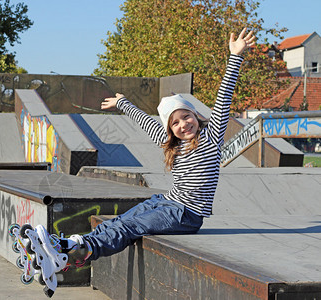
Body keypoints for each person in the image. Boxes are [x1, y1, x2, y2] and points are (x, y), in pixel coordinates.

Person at [32, 28, 256, 272]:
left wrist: (235, 57)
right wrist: (122, 103)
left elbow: (223, 100)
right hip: (165, 202)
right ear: (170, 129)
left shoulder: (211, 138)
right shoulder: (171, 143)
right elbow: (145, 121)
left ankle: (78, 253)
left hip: (186, 215)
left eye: (186, 116)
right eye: (176, 123)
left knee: (129, 228)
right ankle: (64, 246)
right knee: (117, 222)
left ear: (196, 115)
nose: (184, 125)